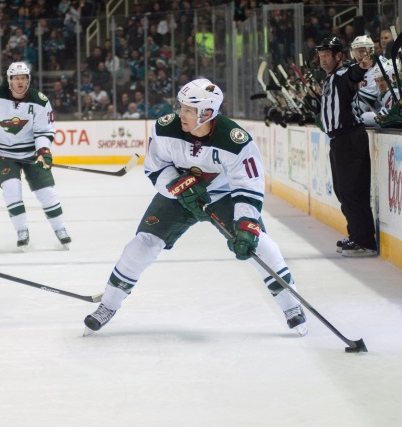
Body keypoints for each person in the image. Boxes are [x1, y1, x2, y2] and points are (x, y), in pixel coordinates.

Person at [83, 78, 308, 337]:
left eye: (189, 110)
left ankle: (292, 305)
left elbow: (249, 185)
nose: (181, 114)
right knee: (141, 245)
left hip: (222, 196)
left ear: (208, 113)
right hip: (177, 195)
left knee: (260, 245)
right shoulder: (166, 128)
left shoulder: (236, 141)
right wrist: (178, 186)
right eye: (181, 107)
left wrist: (246, 227)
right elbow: (155, 168)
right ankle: (108, 305)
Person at [0, 62, 71, 251]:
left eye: (23, 78)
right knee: (11, 189)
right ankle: (22, 231)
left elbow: (44, 131)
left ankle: (60, 229)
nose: (20, 82)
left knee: (47, 192)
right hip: (3, 154)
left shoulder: (40, 101)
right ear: (9, 80)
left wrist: (43, 151)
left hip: (31, 154)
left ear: (28, 80)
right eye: (16, 78)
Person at [315, 36, 378, 257]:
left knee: (353, 191)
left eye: (326, 56)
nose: (322, 60)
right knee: (344, 192)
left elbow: (354, 75)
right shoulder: (330, 78)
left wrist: (361, 67)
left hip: (350, 138)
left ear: (338, 56)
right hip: (340, 141)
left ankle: (365, 242)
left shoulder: (342, 75)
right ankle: (356, 236)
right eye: (321, 56)